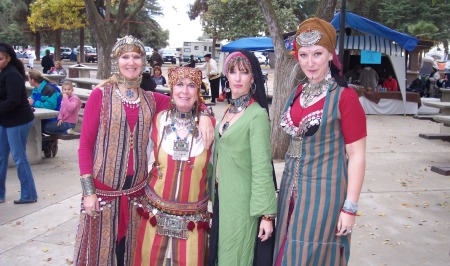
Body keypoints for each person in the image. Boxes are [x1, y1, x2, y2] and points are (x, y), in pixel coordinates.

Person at [73, 35, 213, 266]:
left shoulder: (151, 99)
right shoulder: (101, 95)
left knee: (130, 256)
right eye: (125, 57)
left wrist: (205, 114)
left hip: (137, 196)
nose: (131, 62)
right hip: (102, 194)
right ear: (116, 61)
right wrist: (89, 192)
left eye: (136, 56)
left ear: (143, 61)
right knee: (99, 255)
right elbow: (85, 146)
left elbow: (185, 98)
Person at [274, 18, 367, 265]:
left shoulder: (345, 97)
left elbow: (357, 155)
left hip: (324, 199)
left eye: (317, 54)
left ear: (329, 55)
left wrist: (350, 208)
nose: (310, 62)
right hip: (289, 195)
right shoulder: (297, 93)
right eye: (303, 55)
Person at [133, 67, 214, 265]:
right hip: (155, 215)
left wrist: (204, 113)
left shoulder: (211, 127)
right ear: (171, 88)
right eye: (179, 84)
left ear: (198, 92)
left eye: (191, 86)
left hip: (193, 222)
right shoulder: (158, 120)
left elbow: (217, 174)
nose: (184, 91)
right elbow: (139, 160)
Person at [208, 50, 277, 266]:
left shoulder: (256, 116)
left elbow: (262, 166)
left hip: (243, 203)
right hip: (224, 198)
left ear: (253, 78)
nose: (237, 78)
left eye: (244, 72)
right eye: (232, 71)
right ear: (225, 76)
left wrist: (267, 215)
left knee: (235, 256)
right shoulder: (230, 109)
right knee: (222, 254)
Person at [0, 43, 37, 204]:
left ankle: (29, 194)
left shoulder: (12, 74)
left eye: (0, 58)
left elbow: (13, 101)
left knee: (19, 157)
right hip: (5, 120)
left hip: (18, 120)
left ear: (8, 58)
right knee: (1, 157)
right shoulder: (2, 73)